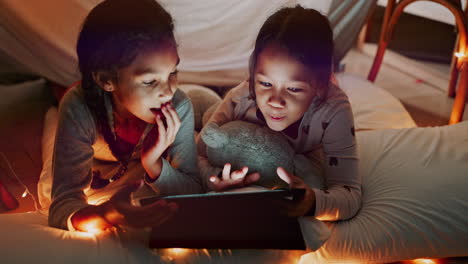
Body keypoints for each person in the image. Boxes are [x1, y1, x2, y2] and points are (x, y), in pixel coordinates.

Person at [48, 0, 202, 232]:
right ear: (105, 80)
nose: (169, 91)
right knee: (51, 121)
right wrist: (105, 215)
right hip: (90, 144)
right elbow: (63, 204)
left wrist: (154, 163)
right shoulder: (80, 107)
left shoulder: (178, 105)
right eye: (150, 81)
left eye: (173, 72)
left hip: (134, 165)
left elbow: (193, 190)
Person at [198, 5, 361, 221]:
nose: (275, 101)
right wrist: (214, 178)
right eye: (265, 83)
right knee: (204, 107)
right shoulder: (243, 97)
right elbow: (197, 152)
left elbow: (349, 193)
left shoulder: (332, 111)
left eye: (293, 89)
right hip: (228, 124)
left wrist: (313, 201)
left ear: (320, 85)